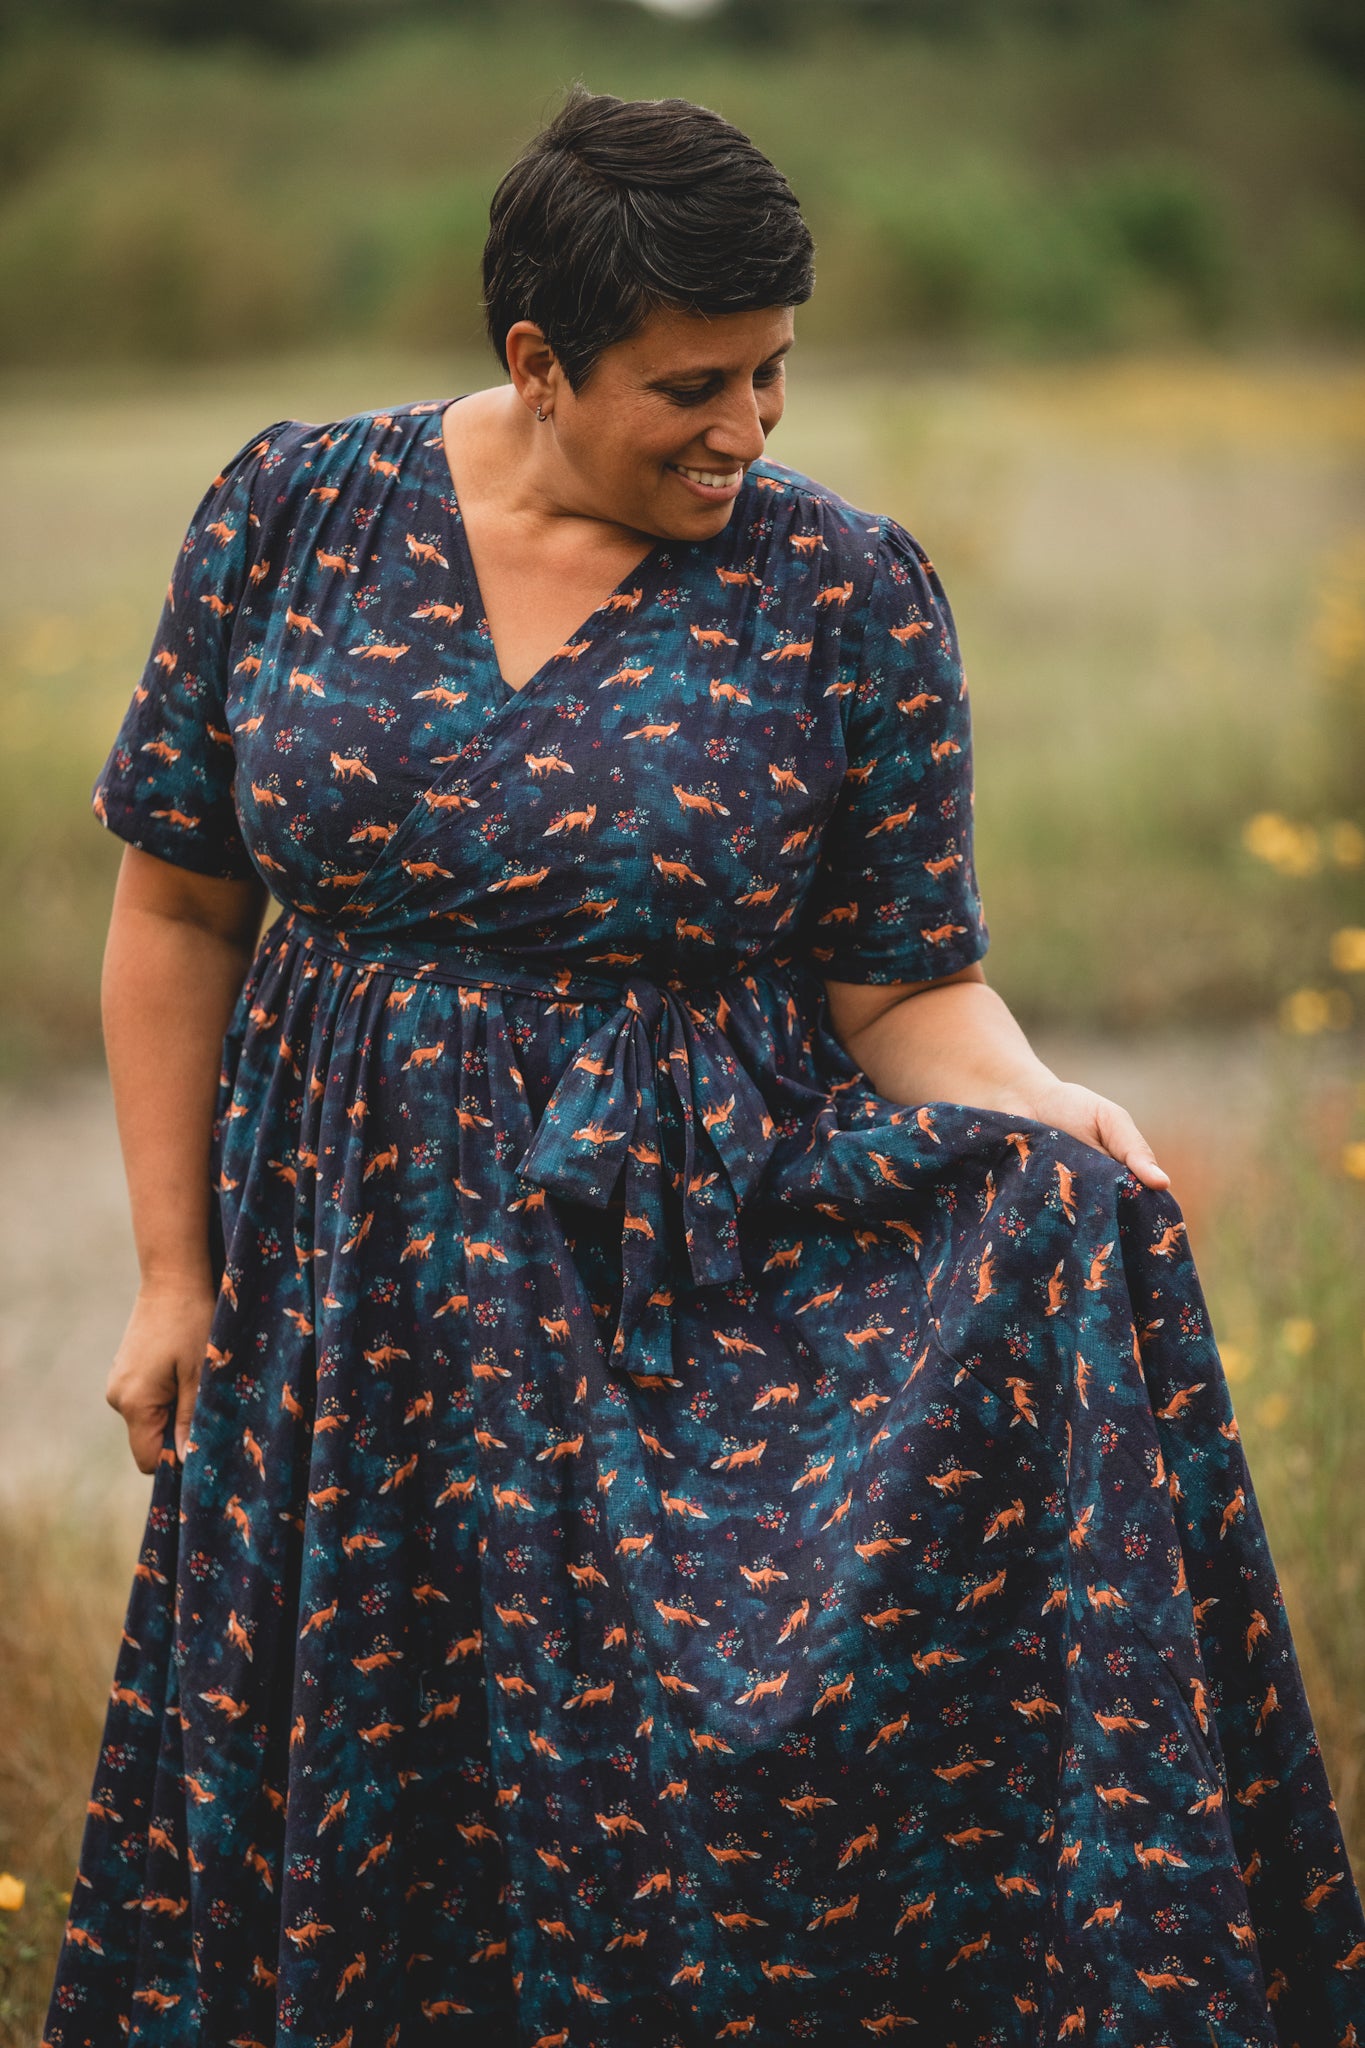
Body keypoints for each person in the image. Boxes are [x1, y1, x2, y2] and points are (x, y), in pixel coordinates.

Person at [44, 87, 1363, 2048]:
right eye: (692, 385)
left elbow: (903, 986)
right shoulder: (289, 509)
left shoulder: (843, 592)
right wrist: (174, 1271)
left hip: (671, 1298)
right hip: (344, 1292)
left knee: (680, 1805)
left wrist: (1037, 1113)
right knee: (356, 1788)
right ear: (535, 360)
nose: (745, 428)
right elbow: (176, 915)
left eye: (772, 375)